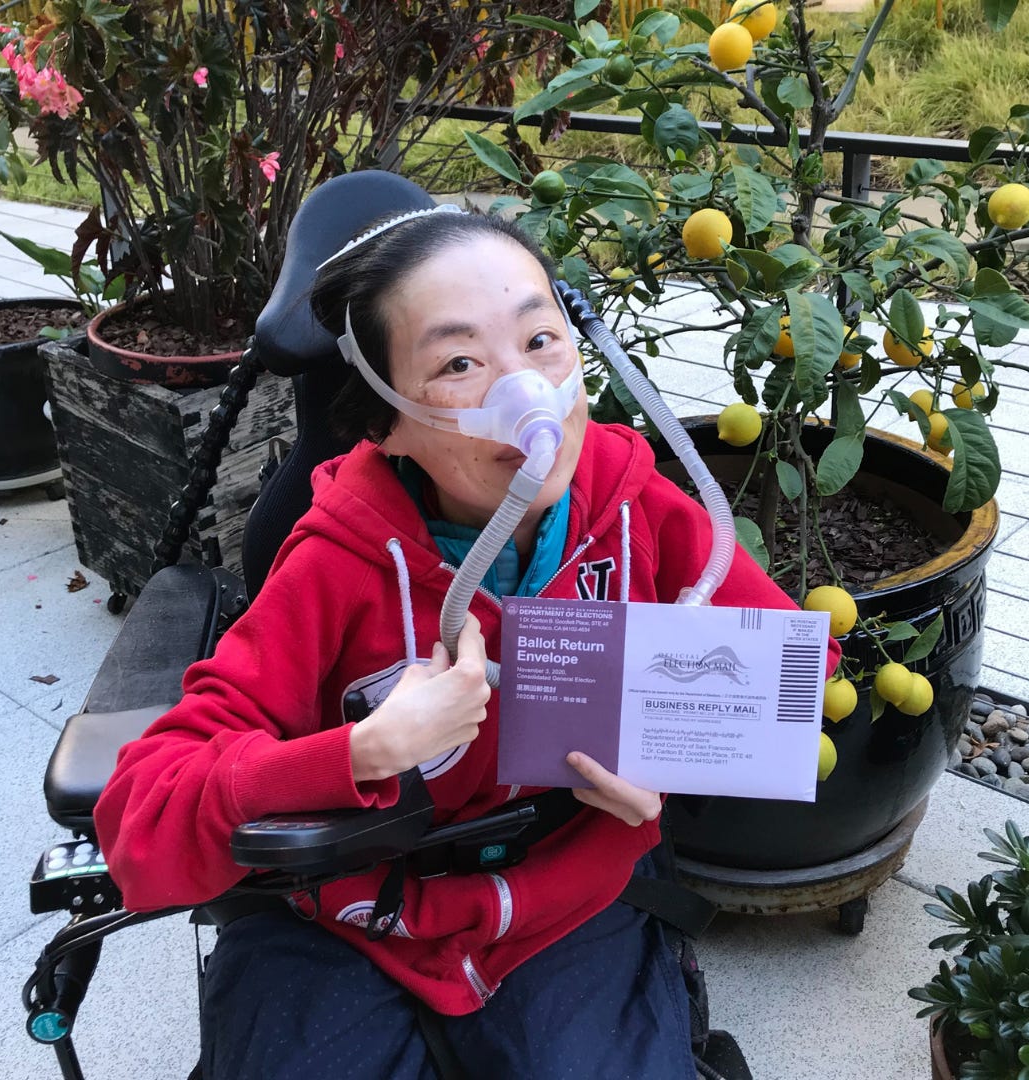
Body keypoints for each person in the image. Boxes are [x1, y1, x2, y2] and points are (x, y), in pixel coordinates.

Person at [94, 204, 840, 1079]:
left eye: (541, 341)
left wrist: (666, 755)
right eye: (459, 363)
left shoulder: (641, 513)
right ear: (385, 420)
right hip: (355, 913)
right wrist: (359, 752)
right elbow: (141, 813)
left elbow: (793, 676)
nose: (525, 394)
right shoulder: (335, 564)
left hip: (565, 898)